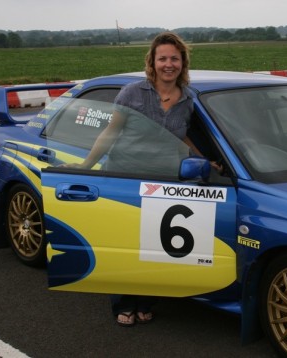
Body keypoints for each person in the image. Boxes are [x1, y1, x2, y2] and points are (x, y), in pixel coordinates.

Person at [66, 31, 199, 326]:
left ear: (182, 62)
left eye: (174, 58)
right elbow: (111, 132)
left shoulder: (188, 99)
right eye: (162, 58)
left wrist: (205, 161)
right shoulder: (132, 93)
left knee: (154, 246)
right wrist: (88, 165)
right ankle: (124, 303)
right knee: (127, 245)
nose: (168, 64)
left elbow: (180, 135)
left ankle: (145, 300)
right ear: (152, 61)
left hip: (165, 182)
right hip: (126, 178)